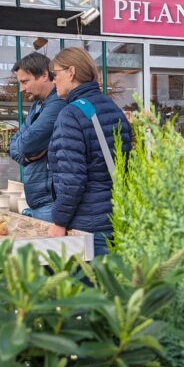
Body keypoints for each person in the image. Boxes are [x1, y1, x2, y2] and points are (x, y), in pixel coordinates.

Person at [46, 48, 132, 257]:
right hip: (117, 216)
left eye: (55, 74)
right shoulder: (113, 109)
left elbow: (72, 178)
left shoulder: (71, 114)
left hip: (87, 224)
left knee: (87, 286)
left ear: (71, 72)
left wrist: (59, 221)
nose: (53, 81)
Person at [8, 52, 66, 221]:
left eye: (25, 82)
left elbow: (25, 144)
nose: (22, 89)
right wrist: (26, 156)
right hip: (40, 200)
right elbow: (14, 146)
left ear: (45, 75)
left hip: (51, 200)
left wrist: (25, 150)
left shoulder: (57, 105)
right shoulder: (37, 105)